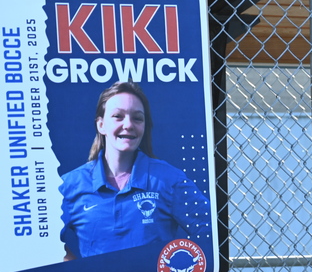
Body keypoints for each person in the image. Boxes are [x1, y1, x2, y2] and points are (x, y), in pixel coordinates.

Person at [58, 81, 212, 260]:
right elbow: (44, 242)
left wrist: (176, 265)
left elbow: (211, 232)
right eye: (118, 116)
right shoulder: (69, 185)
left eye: (137, 118)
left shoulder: (169, 180)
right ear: (101, 125)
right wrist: (78, 270)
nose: (128, 125)